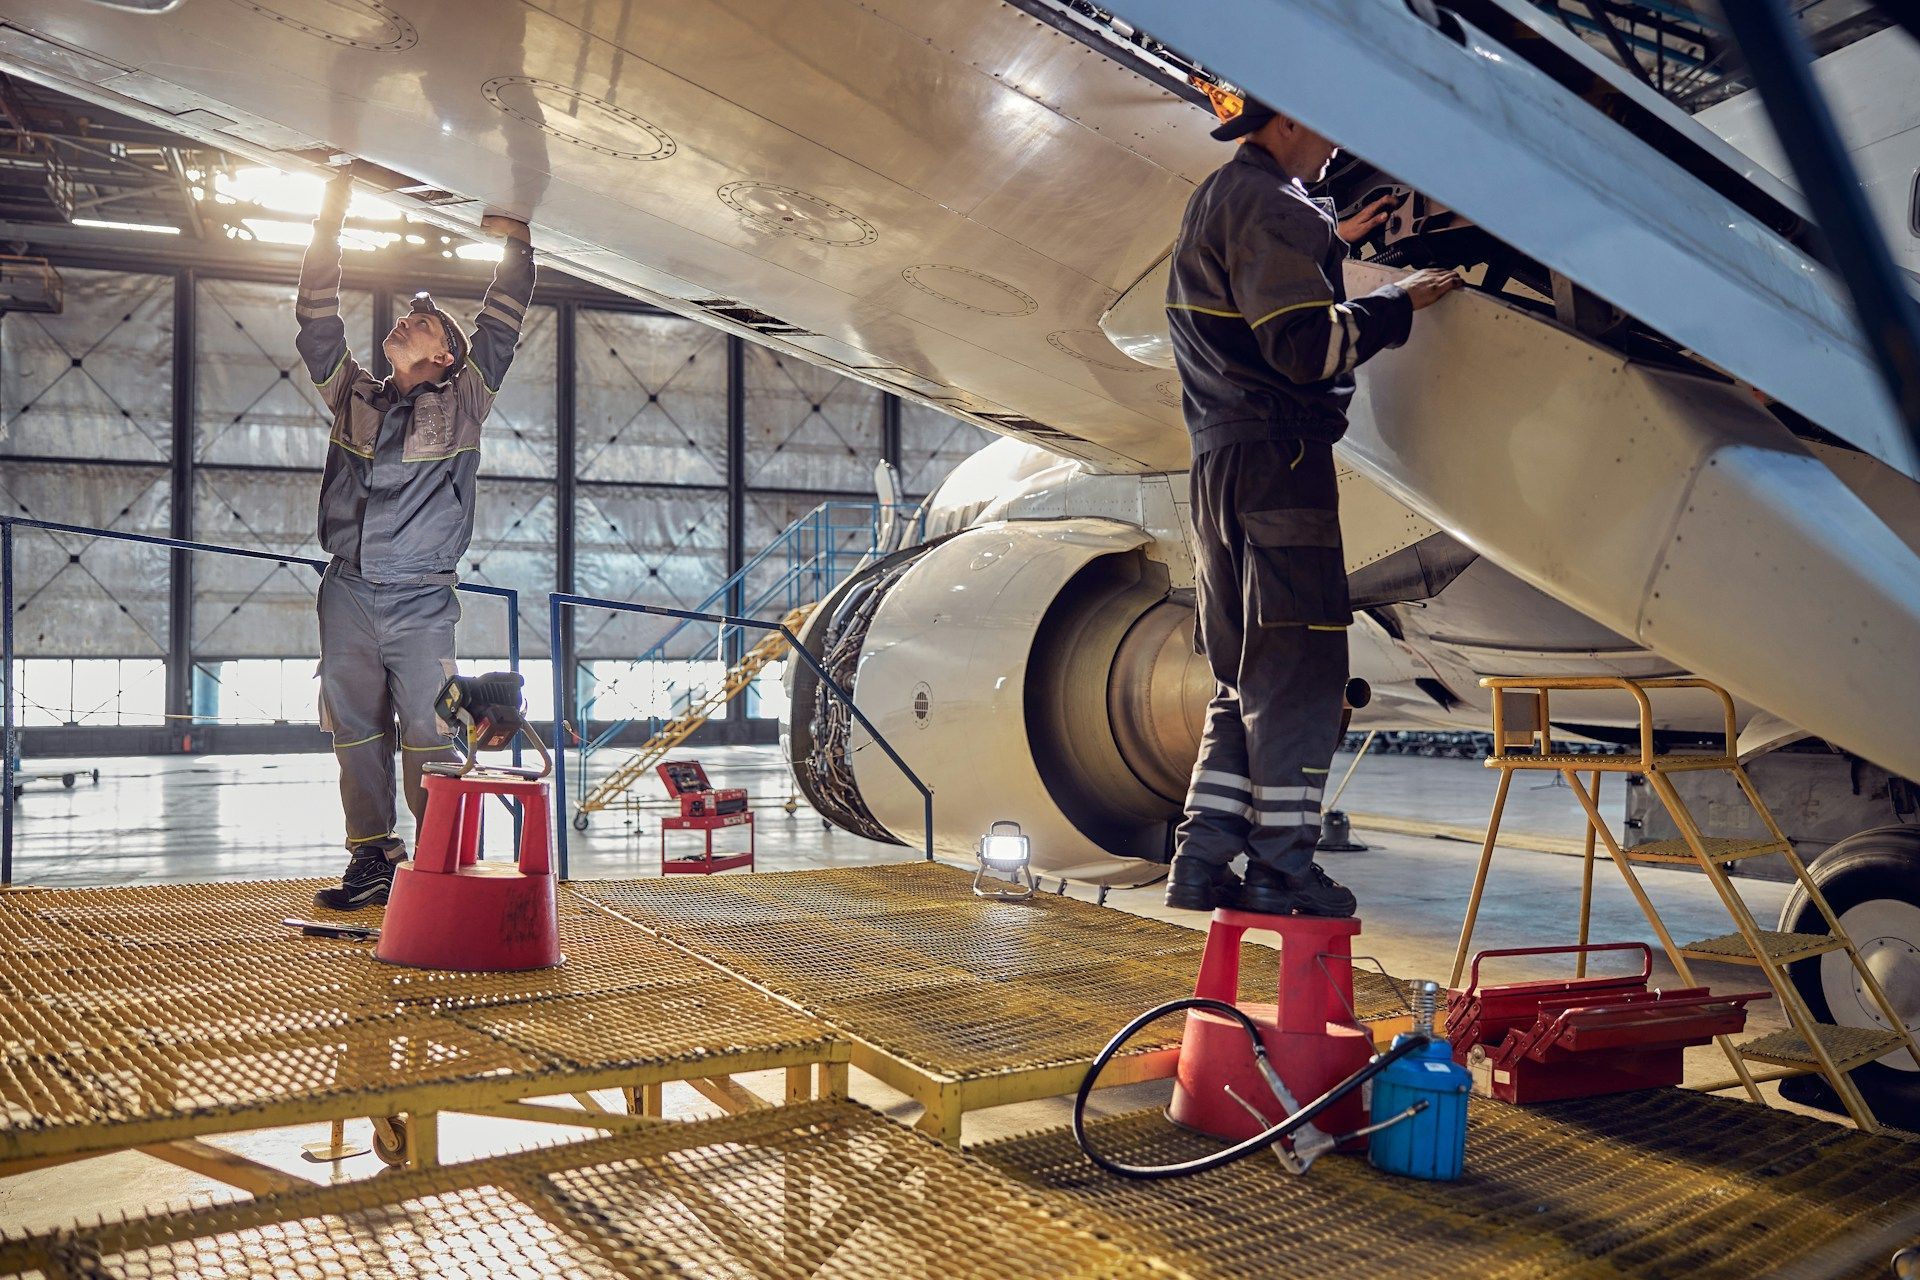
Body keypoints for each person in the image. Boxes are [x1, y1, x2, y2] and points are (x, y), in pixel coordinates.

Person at [1163, 95, 1460, 916]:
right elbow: (1304, 347)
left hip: (1219, 467)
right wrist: (1401, 302)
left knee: (1242, 678)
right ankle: (1286, 869)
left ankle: (1203, 859)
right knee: (1300, 677)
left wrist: (1334, 240)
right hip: (1281, 464)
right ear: (1286, 119)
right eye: (1327, 126)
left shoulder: (1219, 198)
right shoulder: (1273, 206)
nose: (1336, 145)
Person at [294, 170, 536, 909]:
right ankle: (373, 860)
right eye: (407, 318)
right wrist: (328, 225)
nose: (404, 321)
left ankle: (439, 869)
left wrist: (515, 249)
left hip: (423, 600)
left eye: (422, 324)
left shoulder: (466, 401)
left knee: (430, 735)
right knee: (355, 732)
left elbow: (500, 326)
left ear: (445, 357)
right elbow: (315, 320)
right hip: (348, 590)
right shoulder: (352, 395)